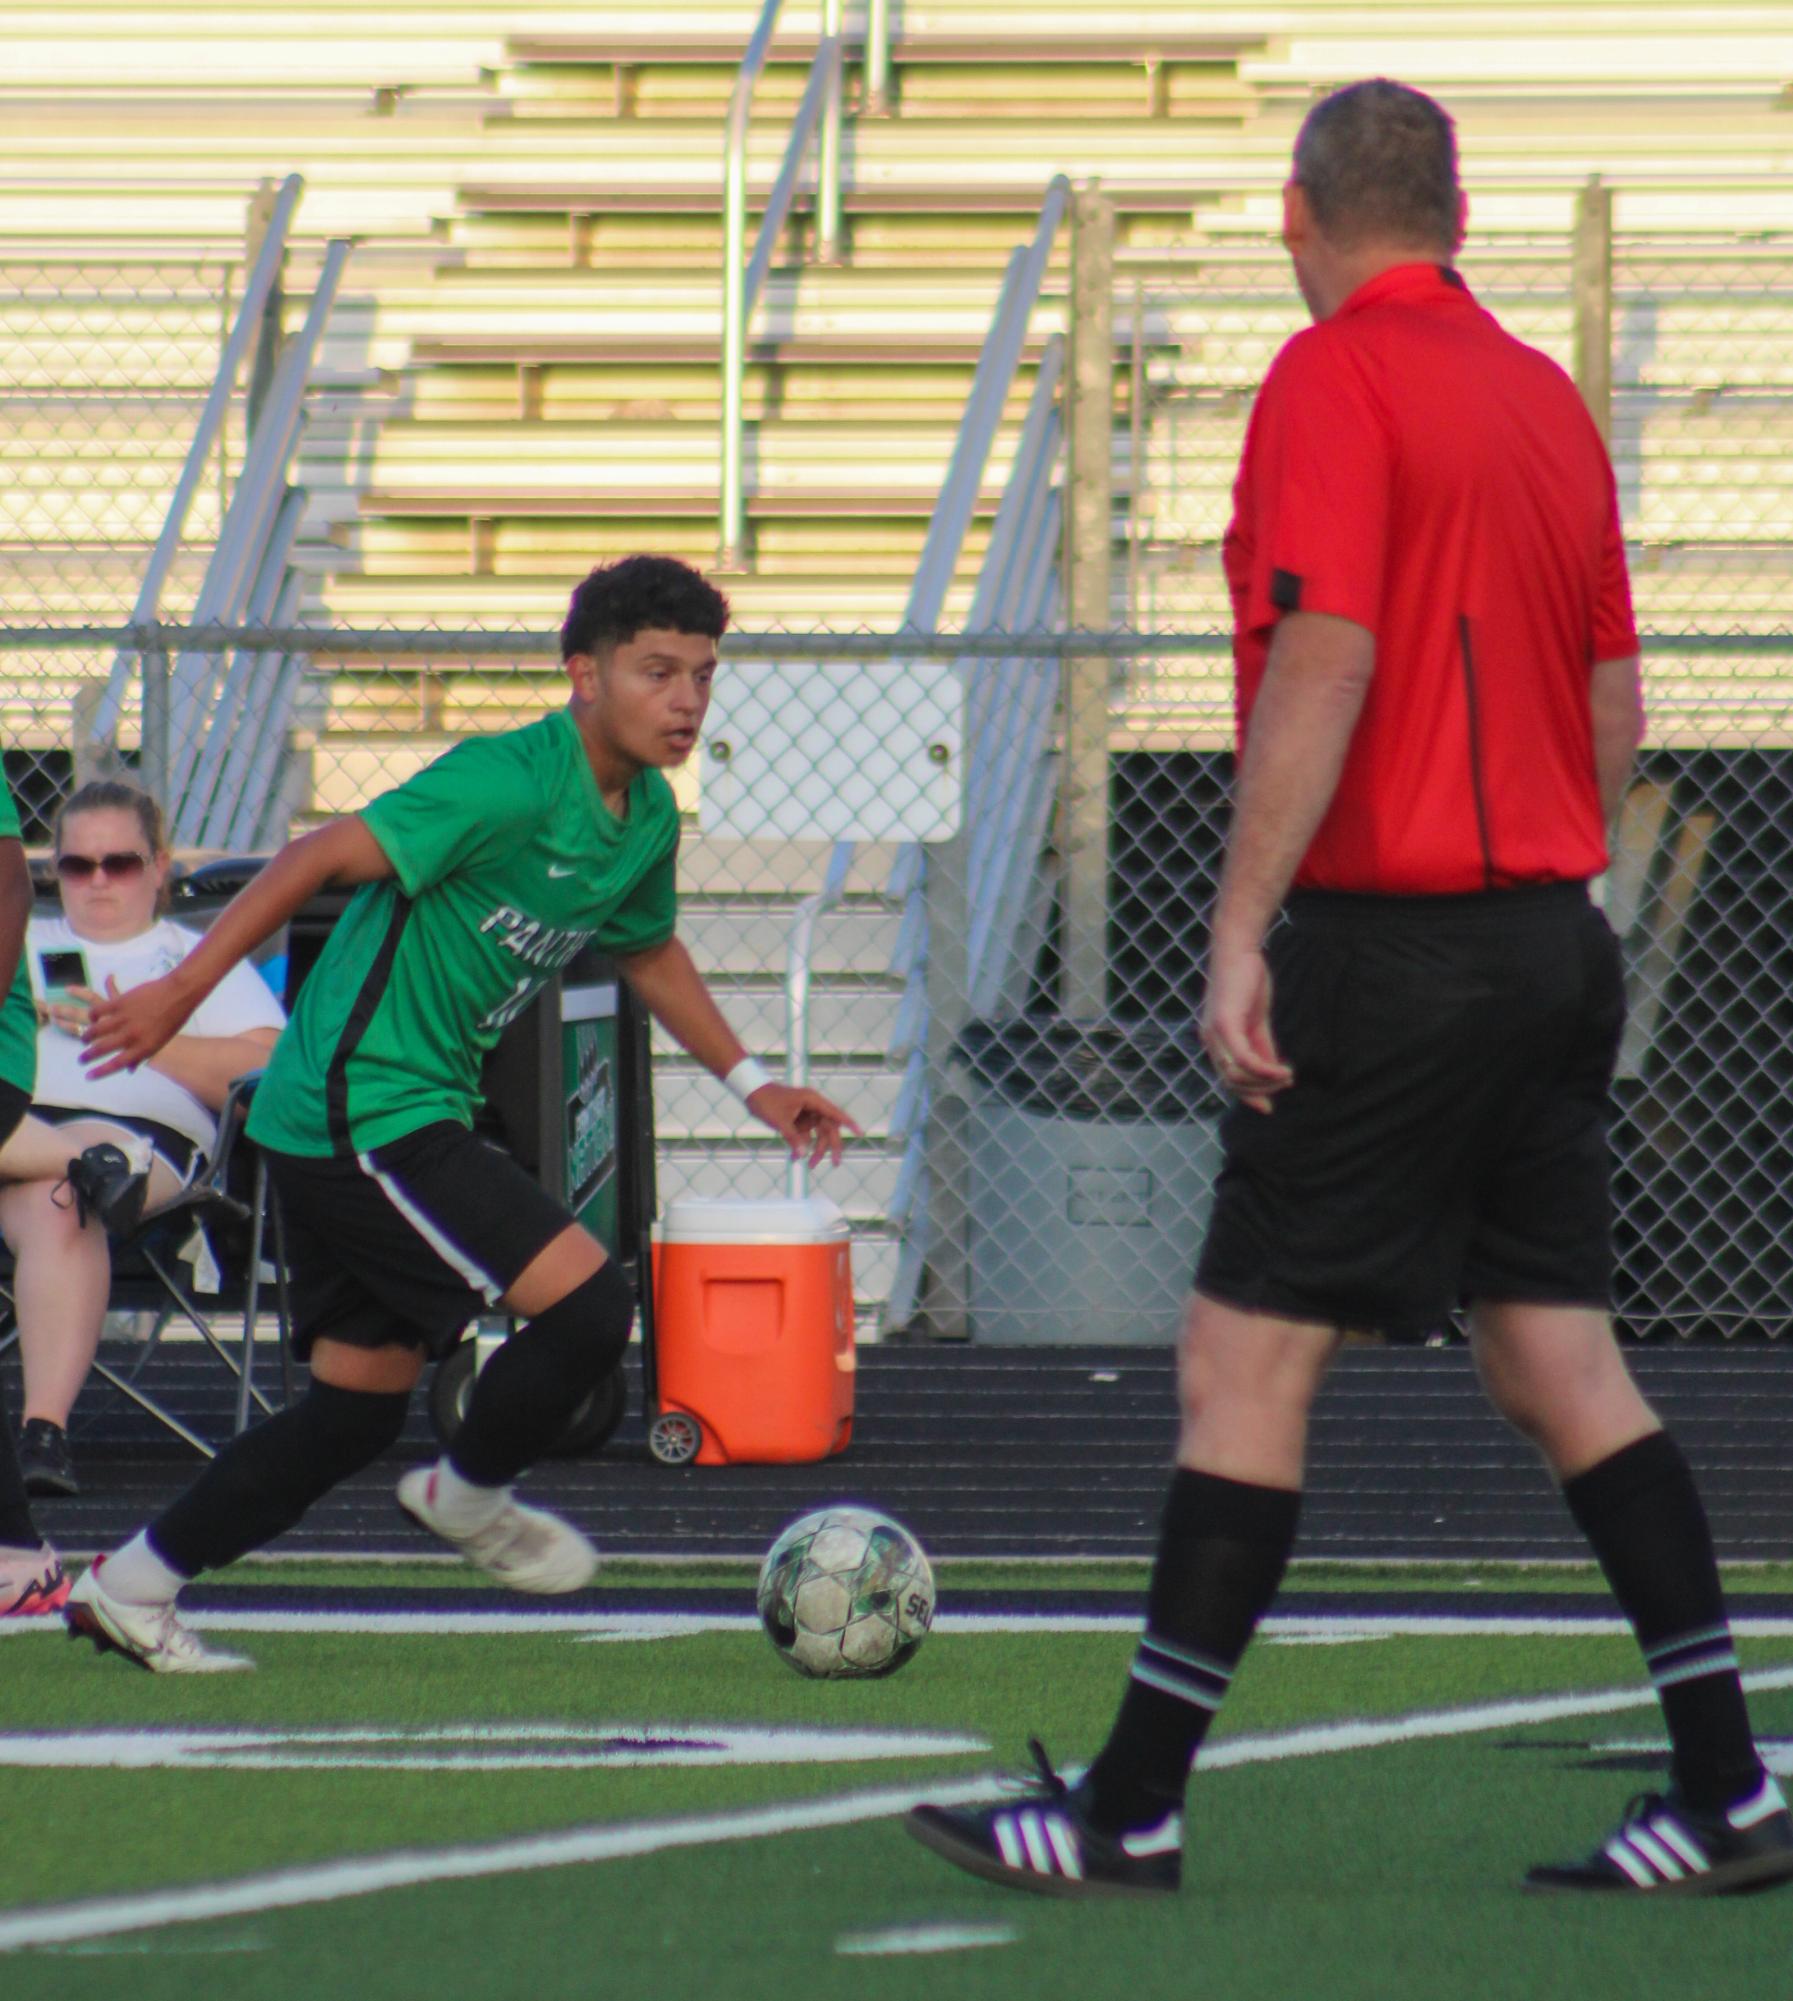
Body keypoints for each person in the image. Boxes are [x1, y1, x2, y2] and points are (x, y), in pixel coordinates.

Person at [907, 79, 1793, 1899]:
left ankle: (1130, 1807)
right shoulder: (1544, 399)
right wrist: (1552, 895)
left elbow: (1322, 652)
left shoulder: (1333, 377)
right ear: (1453, 218)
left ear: (1299, 218)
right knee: (1559, 1362)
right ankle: (1727, 1786)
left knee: (1242, 1360)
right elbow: (1615, 700)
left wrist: (1237, 928)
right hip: (1553, 932)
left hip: (1393, 946)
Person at [67, 553, 859, 1673]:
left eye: (701, 675)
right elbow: (316, 853)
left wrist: (752, 1082)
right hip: (358, 1105)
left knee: (352, 1415)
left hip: (393, 1109)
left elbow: (646, 949)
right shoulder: (504, 782)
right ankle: (467, 1495)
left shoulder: (642, 825)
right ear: (582, 675)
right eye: (656, 671)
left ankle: (128, 1587)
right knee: (591, 1307)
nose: (685, 700)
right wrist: (178, 990)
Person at [7, 781, 285, 1498]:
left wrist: (138, 1034)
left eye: (120, 863)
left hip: (144, 1141)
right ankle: (43, 1433)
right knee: (72, 1183)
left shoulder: (194, 959)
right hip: (26, 1130)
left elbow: (273, 1076)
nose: (98, 880)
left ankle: (43, 1427)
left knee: (62, 1199)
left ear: (160, 866)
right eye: (76, 865)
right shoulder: (18, 941)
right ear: (51, 871)